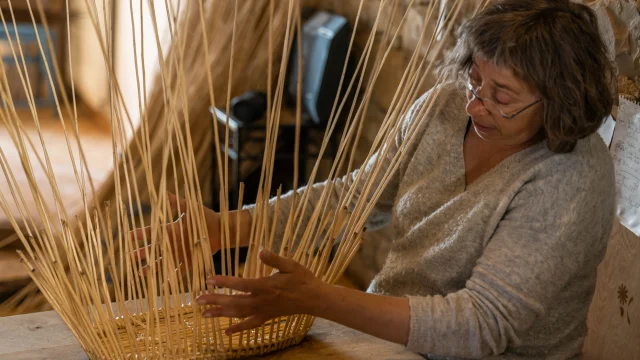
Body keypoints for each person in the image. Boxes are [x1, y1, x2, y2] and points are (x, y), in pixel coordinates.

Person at [134, 1, 617, 358]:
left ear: (561, 100)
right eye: (475, 80)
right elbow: (353, 197)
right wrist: (227, 227)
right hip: (393, 339)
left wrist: (321, 299)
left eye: (502, 97)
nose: (474, 105)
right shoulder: (444, 107)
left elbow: (480, 327)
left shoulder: (569, 178)